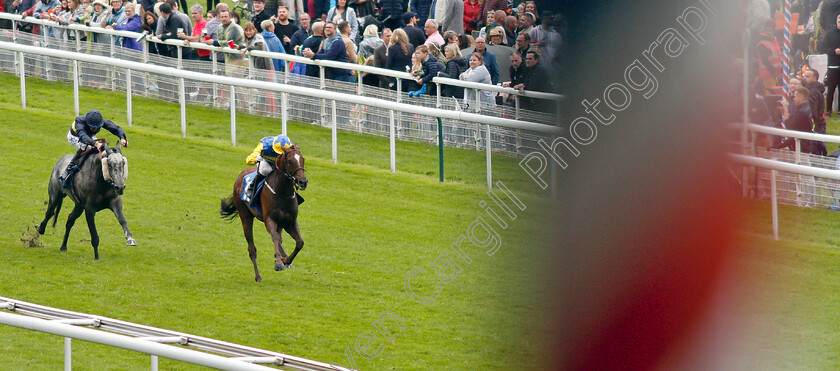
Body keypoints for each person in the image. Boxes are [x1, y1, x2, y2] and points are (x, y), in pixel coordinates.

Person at [60, 110, 129, 188]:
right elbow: (83, 136)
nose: (95, 129)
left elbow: (116, 128)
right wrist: (95, 143)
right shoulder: (80, 121)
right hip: (75, 136)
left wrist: (122, 138)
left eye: (97, 127)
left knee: (103, 149)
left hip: (89, 136)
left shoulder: (101, 121)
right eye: (92, 127)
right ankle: (68, 169)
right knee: (86, 147)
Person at [770, 87, 820, 154]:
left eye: (795, 97)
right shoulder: (803, 107)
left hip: (802, 146)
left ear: (801, 97)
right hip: (799, 142)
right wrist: (783, 111)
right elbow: (792, 120)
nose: (794, 99)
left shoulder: (803, 111)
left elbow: (789, 126)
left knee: (802, 163)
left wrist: (785, 109)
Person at [244, 134, 293, 200]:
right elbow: (248, 161)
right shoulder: (264, 145)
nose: (279, 155)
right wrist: (256, 159)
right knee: (265, 170)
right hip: (267, 162)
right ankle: (251, 187)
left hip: (281, 163)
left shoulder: (290, 147)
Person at [804, 68, 828, 155]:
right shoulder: (816, 89)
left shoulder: (812, 92)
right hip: (820, 123)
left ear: (814, 78)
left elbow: (812, 110)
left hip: (816, 124)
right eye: (804, 76)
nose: (804, 78)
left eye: (807, 76)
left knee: (815, 152)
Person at [822, 14, 840, 116]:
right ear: (836, 21)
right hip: (833, 65)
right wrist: (834, 51)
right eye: (839, 21)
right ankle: (828, 110)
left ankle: (839, 111)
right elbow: (823, 47)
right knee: (831, 89)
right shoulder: (830, 34)